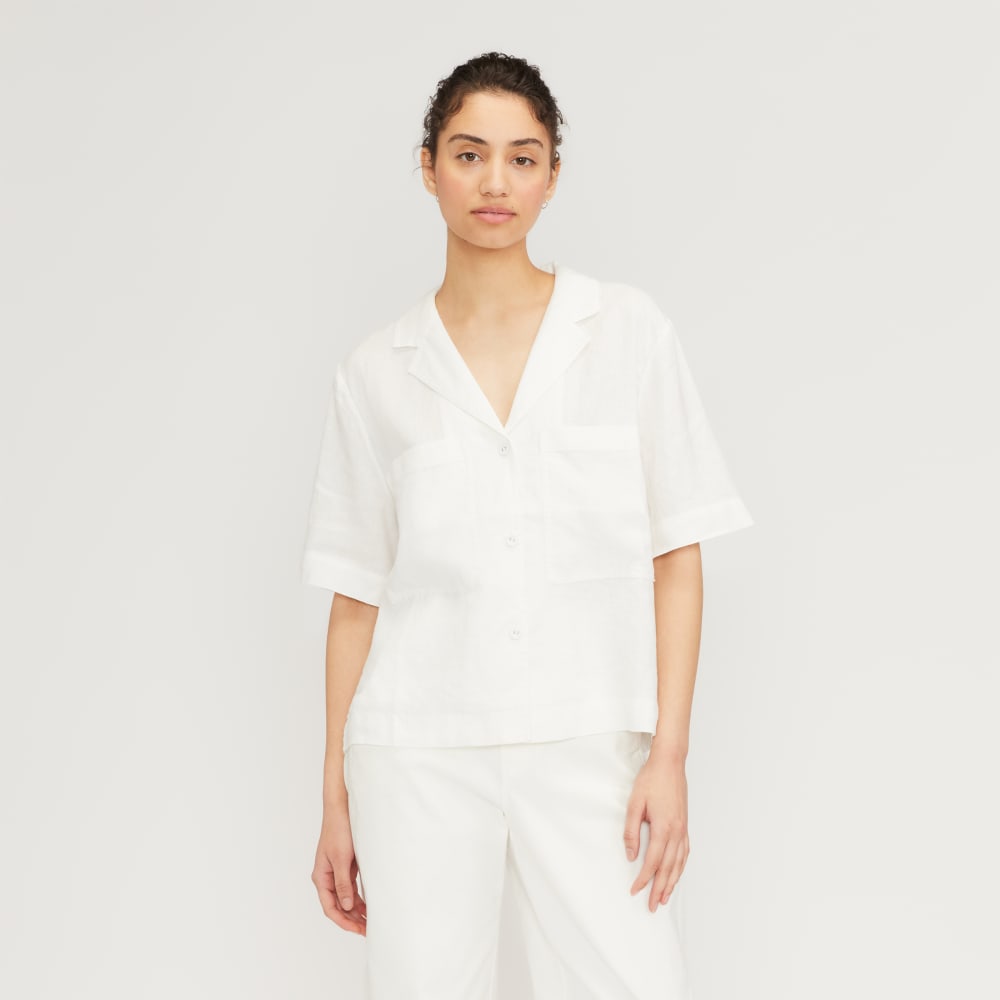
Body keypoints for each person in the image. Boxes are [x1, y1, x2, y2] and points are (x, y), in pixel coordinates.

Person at [301, 51, 754, 1000]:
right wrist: (334, 798)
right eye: (469, 155)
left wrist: (669, 755)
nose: (495, 182)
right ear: (428, 167)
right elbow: (356, 598)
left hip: (591, 737)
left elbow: (678, 555)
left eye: (523, 157)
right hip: (417, 743)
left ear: (552, 175)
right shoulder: (376, 371)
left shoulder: (625, 332)